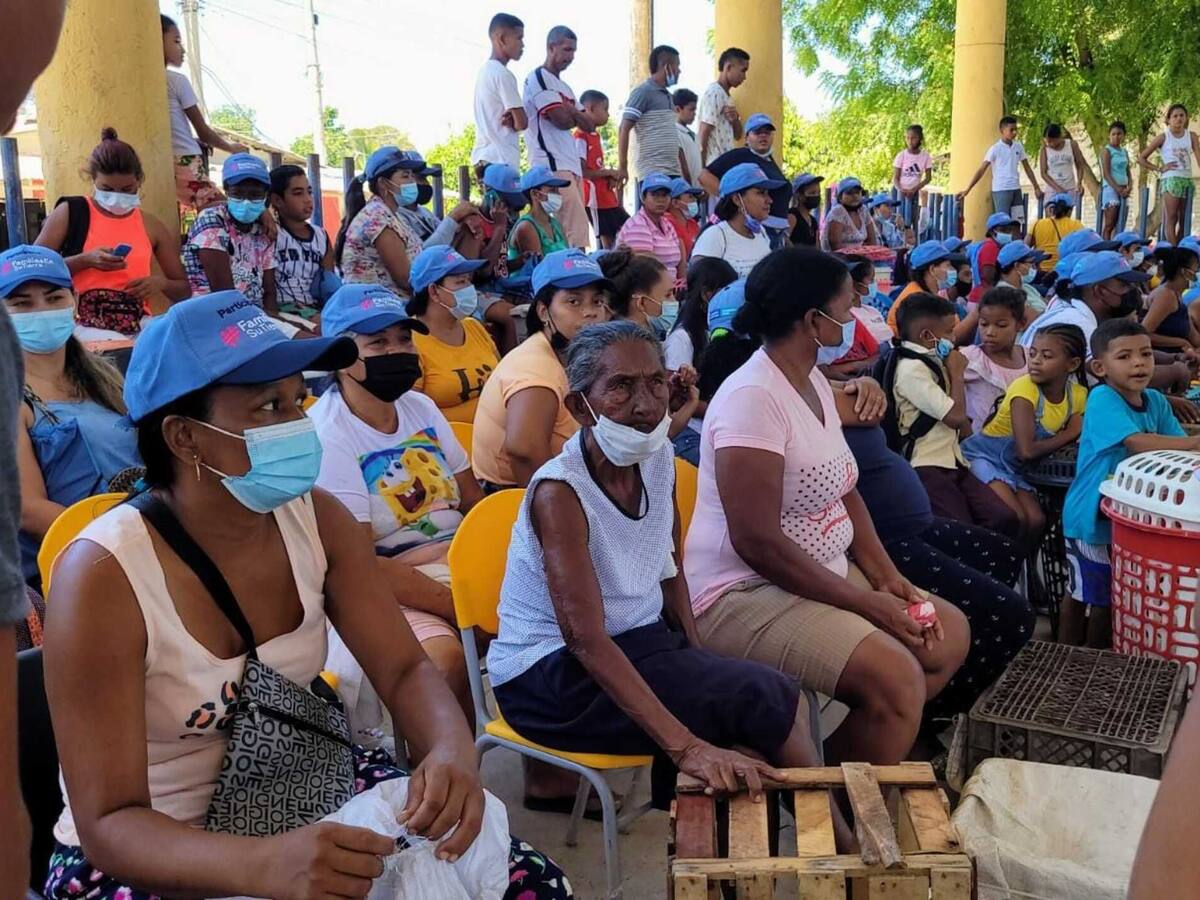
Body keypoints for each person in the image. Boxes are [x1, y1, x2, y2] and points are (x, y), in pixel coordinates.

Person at [41, 291, 570, 900]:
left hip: (302, 782)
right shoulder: (105, 576)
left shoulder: (316, 520)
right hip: (158, 846)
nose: (297, 424)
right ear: (185, 437)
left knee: (532, 883)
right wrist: (263, 866)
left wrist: (451, 747)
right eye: (269, 407)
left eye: (298, 399)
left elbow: (401, 669)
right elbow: (108, 823)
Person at [489, 319, 844, 825]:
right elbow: (584, 640)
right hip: (550, 677)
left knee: (747, 719)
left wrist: (697, 653)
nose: (644, 404)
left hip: (635, 642)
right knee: (765, 699)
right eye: (621, 387)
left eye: (655, 383)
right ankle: (838, 843)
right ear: (578, 407)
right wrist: (685, 748)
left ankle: (806, 847)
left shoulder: (655, 457)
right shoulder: (560, 493)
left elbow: (668, 566)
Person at [685, 246, 968, 766]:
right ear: (812, 320)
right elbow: (756, 542)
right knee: (898, 677)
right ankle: (834, 796)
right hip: (743, 593)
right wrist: (863, 602)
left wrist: (885, 577)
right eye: (846, 304)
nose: (854, 312)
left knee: (944, 639)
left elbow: (843, 486)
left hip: (821, 571)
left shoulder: (811, 378)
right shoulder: (752, 398)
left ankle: (826, 768)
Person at [312, 283, 484, 723]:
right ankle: (456, 777)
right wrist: (461, 607)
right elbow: (359, 566)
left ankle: (551, 778)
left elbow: (474, 504)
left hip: (458, 565)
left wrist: (479, 574)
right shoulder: (329, 433)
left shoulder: (421, 407)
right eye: (378, 343)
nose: (398, 351)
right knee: (444, 665)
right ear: (339, 356)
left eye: (404, 339)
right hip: (392, 588)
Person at [842, 425, 1034, 719]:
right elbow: (956, 415)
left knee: (1006, 552)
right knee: (1012, 616)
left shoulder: (845, 390)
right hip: (885, 541)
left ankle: (973, 652)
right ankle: (941, 713)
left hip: (913, 524)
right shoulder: (805, 403)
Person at [5, 245, 141, 586]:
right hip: (72, 571)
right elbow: (27, 509)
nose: (41, 311)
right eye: (22, 303)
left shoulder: (106, 378)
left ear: (74, 301)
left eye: (54, 298)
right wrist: (127, 536)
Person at [1062, 318, 1200, 648]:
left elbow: (1177, 453)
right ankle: (1071, 656)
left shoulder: (1155, 400)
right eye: (1124, 357)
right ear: (1099, 366)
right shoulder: (1102, 398)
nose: (1139, 363)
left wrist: (1191, 450)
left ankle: (1098, 657)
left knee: (1112, 591)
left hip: (1127, 516)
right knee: (1088, 594)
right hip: (1090, 517)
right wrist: (1196, 444)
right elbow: (1137, 442)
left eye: (1146, 354)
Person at [473, 249, 612, 490]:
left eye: (597, 301)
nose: (590, 311)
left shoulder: (571, 353)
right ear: (543, 311)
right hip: (511, 496)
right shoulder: (535, 369)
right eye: (574, 301)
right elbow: (525, 453)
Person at [34, 128, 189, 339]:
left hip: (136, 330)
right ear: (92, 181)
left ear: (139, 181)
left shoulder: (151, 225)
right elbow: (32, 269)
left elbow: (183, 289)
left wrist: (159, 283)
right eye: (106, 189)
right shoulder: (71, 213)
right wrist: (84, 261)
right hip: (79, 329)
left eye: (127, 190)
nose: (117, 197)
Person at [891, 292, 1020, 537]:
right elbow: (955, 416)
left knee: (1002, 517)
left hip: (954, 460)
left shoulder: (932, 359)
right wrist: (957, 374)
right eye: (949, 331)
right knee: (963, 532)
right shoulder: (911, 369)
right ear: (927, 336)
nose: (953, 338)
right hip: (927, 464)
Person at [963, 324, 1088, 547]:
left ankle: (1022, 571)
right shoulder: (1024, 389)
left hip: (1017, 467)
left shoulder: (1077, 395)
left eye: (1046, 356)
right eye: (1033, 354)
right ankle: (1005, 568)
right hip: (984, 457)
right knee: (1016, 517)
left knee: (1037, 520)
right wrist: (1070, 432)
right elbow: (1026, 450)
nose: (1036, 361)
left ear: (1073, 364)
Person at [161, 15, 248, 213]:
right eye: (176, 41)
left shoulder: (154, 82)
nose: (182, 49)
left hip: (169, 160)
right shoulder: (177, 81)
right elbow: (204, 132)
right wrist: (231, 148)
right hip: (184, 160)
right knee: (233, 211)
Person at [407, 246, 500, 423]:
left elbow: (503, 381)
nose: (469, 288)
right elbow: (414, 417)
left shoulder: (474, 327)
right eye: (460, 282)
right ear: (434, 291)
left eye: (468, 281)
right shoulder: (410, 342)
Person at [523, 25, 593, 249]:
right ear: (551, 48)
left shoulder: (565, 88)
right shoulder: (539, 78)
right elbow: (560, 120)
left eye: (573, 51)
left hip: (571, 166)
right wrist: (574, 114)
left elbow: (590, 124)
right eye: (566, 50)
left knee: (573, 230)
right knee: (573, 233)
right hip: (552, 165)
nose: (570, 56)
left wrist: (569, 110)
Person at [181, 153, 277, 314]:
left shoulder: (264, 229)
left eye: (255, 195)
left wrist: (276, 320)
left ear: (266, 195)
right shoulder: (212, 220)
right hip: (215, 316)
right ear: (226, 190)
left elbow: (269, 292)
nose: (246, 201)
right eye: (238, 194)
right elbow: (224, 296)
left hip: (256, 316)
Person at [336, 146, 426, 297]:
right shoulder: (378, 218)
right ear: (383, 183)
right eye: (405, 176)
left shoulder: (392, 215)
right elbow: (405, 279)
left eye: (412, 176)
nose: (413, 182)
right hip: (381, 307)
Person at [1020, 250, 1150, 352]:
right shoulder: (1077, 325)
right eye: (1124, 285)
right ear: (1100, 291)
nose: (1132, 290)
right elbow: (1116, 375)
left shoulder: (1076, 312)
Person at [699, 114, 792, 248]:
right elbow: (704, 176)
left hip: (775, 233)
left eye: (767, 132)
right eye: (757, 132)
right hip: (758, 229)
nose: (763, 136)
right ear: (747, 138)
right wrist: (731, 199)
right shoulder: (741, 155)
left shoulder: (769, 160)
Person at [267, 164, 336, 326]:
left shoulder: (321, 235)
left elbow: (328, 281)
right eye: (298, 193)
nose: (307, 199)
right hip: (283, 307)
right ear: (277, 200)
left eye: (309, 192)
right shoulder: (271, 233)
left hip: (317, 307)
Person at [959, 286, 1028, 433]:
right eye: (984, 324)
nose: (990, 332)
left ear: (1021, 324)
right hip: (981, 447)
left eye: (1001, 325)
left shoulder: (1030, 358)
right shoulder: (970, 358)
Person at [690, 163, 777, 278]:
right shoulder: (715, 236)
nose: (769, 200)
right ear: (737, 199)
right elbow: (700, 286)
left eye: (768, 193)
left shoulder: (762, 232)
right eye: (761, 193)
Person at [618, 45, 687, 189]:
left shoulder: (669, 96)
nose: (679, 71)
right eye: (677, 66)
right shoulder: (643, 92)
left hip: (672, 171)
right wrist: (623, 167)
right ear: (666, 67)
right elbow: (624, 128)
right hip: (653, 171)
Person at [470, 12, 527, 173]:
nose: (522, 44)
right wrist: (516, 119)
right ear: (502, 39)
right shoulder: (503, 74)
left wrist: (513, 117)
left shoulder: (484, 72)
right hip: (501, 160)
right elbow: (522, 123)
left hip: (483, 158)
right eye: (519, 38)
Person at [1138, 104, 1200, 246]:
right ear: (1169, 120)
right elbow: (1141, 158)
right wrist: (1160, 168)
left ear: (1186, 118)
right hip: (1171, 180)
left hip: (1187, 179)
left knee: (1185, 218)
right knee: (1171, 218)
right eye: (1175, 116)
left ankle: (1181, 248)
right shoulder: (1163, 137)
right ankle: (1173, 250)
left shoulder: (1191, 136)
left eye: (1181, 115)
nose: (1178, 119)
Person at [958, 115, 1044, 216]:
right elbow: (982, 170)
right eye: (1011, 130)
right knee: (1003, 222)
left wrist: (1036, 187)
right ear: (1002, 130)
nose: (1015, 132)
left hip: (1016, 188)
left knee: (1017, 221)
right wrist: (968, 190)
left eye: (1016, 129)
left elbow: (1027, 168)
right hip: (1001, 190)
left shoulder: (1018, 146)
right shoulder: (995, 149)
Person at [575, 90, 627, 248]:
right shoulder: (580, 137)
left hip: (606, 196)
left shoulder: (595, 136)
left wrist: (607, 177)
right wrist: (609, 172)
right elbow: (583, 171)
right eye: (605, 109)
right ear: (590, 108)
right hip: (594, 199)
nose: (608, 115)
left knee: (626, 227)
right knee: (607, 238)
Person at [615, 173, 686, 284]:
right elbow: (645, 268)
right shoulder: (637, 225)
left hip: (668, 291)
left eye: (665, 195)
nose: (661, 200)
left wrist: (682, 283)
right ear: (643, 197)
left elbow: (680, 260)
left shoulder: (667, 224)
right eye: (655, 195)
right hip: (647, 290)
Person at [886, 239, 954, 335]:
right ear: (932, 269)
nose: (951, 270)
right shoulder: (917, 301)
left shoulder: (929, 293)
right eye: (948, 266)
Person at [508, 166, 571, 269]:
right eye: (552, 190)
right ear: (535, 194)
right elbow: (541, 270)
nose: (558, 195)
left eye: (557, 190)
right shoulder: (526, 227)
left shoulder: (555, 224)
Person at [1142, 244, 1200, 352]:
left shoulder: (1177, 295)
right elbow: (1144, 333)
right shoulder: (1166, 296)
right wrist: (1181, 342)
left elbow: (1192, 333)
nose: (1197, 275)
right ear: (1184, 272)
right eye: (1196, 270)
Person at [697, 47, 749, 167]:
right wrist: (701, 170)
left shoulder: (727, 97)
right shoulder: (714, 93)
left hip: (725, 165)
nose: (744, 77)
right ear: (728, 67)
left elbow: (738, 135)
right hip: (714, 165)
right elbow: (703, 134)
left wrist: (735, 120)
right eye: (743, 70)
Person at [842, 255, 894, 343]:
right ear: (854, 283)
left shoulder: (873, 310)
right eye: (871, 280)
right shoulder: (848, 316)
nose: (874, 284)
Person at [1027, 192, 1084, 273]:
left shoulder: (1037, 224)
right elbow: (1084, 249)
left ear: (1052, 208)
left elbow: (1025, 247)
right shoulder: (1077, 225)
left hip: (1041, 272)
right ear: (1069, 210)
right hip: (1065, 272)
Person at [893, 125, 932, 228]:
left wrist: (914, 189)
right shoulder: (901, 155)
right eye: (907, 138)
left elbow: (928, 178)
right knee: (899, 222)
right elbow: (895, 178)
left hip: (914, 192)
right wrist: (902, 189)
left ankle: (913, 242)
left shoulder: (925, 156)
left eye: (913, 138)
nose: (910, 141)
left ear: (920, 138)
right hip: (900, 193)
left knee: (913, 221)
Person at [822, 177, 877, 252]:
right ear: (840, 198)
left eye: (857, 192)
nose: (854, 196)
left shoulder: (863, 210)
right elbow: (836, 246)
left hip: (862, 256)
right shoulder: (838, 211)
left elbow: (872, 240)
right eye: (849, 193)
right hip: (839, 258)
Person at [1039, 123, 1090, 203]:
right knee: (1051, 213)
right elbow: (1043, 173)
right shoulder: (1045, 149)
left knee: (1065, 214)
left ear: (1059, 137)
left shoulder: (1072, 144)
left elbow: (1079, 165)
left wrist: (1079, 182)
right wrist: (1057, 188)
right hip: (1053, 187)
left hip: (1069, 186)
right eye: (1047, 141)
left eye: (1052, 141)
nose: (1049, 144)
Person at [995, 241, 1047, 318]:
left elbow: (1047, 304)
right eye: (1031, 262)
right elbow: (1031, 319)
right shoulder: (1005, 295)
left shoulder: (1027, 288)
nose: (1033, 267)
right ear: (1017, 265)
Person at [1100, 121, 1132, 240]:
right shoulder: (1106, 151)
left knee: (1121, 223)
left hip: (1124, 189)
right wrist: (1118, 189)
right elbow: (1106, 174)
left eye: (1119, 134)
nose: (1116, 137)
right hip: (1111, 189)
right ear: (1109, 135)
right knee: (1110, 223)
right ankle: (1106, 247)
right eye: (1113, 134)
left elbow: (1128, 171)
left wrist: (1130, 186)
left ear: (1123, 135)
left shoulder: (1124, 152)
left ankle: (1116, 247)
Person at [673, 88, 703, 190]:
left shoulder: (694, 135)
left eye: (695, 110)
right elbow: (683, 165)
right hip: (685, 190)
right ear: (678, 109)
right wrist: (689, 189)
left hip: (697, 189)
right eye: (691, 109)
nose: (694, 113)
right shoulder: (674, 132)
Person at [667, 177, 704, 259]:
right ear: (675, 203)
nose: (695, 200)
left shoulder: (692, 223)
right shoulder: (667, 224)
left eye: (694, 197)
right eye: (690, 197)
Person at [788, 173, 823, 247]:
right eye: (812, 193)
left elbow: (817, 246)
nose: (816, 196)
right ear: (799, 195)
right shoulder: (792, 216)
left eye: (818, 192)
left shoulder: (813, 221)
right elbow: (784, 239)